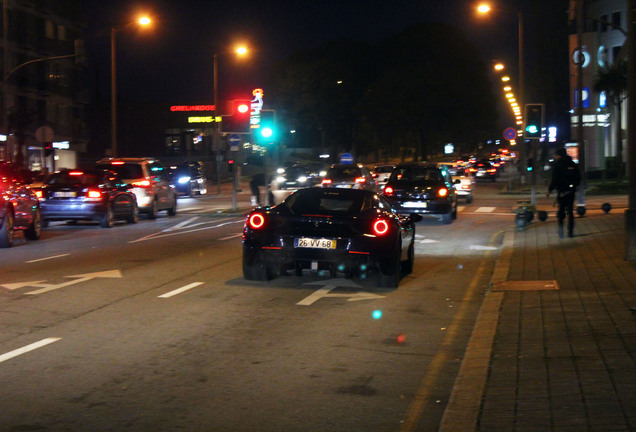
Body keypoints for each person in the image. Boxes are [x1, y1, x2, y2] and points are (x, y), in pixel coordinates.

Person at [546, 148, 580, 238]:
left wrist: (550, 190)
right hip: (571, 192)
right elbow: (578, 177)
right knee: (570, 212)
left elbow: (555, 179)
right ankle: (570, 232)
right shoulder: (572, 163)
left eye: (556, 155)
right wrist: (575, 187)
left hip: (562, 192)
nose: (555, 157)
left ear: (559, 155)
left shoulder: (558, 165)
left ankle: (561, 229)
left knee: (561, 211)